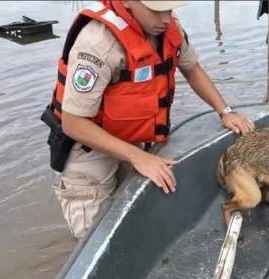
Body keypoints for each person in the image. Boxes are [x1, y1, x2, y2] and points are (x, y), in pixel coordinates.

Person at [39, 0, 255, 239]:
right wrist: (137, 157)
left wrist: (225, 111)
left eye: (169, 9)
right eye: (156, 10)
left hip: (130, 137)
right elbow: (73, 123)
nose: (165, 19)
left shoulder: (166, 27)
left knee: (138, 217)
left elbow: (191, 68)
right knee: (95, 236)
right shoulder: (98, 43)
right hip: (88, 148)